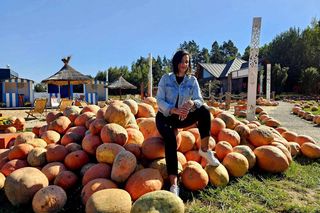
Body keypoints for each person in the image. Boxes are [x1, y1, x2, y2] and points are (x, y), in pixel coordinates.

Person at [156, 50, 220, 197]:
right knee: (170, 141)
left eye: (187, 62)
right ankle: (173, 184)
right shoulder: (166, 79)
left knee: (204, 111)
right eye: (181, 61)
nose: (184, 64)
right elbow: (159, 100)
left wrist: (191, 103)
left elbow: (200, 100)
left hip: (182, 118)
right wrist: (173, 110)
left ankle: (204, 150)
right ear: (176, 62)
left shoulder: (192, 80)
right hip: (165, 117)